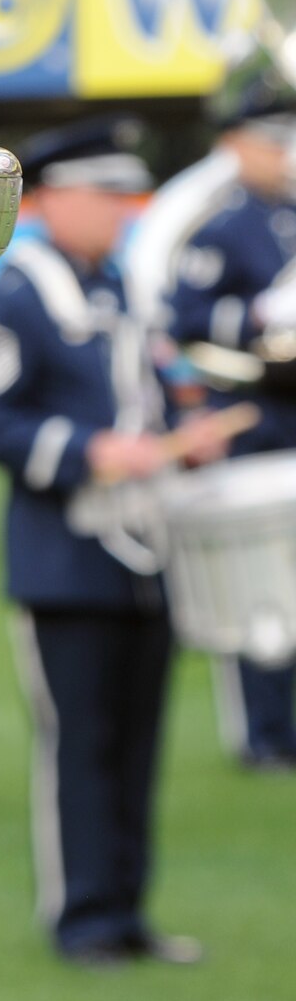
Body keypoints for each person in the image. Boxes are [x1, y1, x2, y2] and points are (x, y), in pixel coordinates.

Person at [0, 118, 222, 967]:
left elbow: (146, 389)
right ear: (53, 199)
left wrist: (188, 428)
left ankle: (128, 911)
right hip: (64, 561)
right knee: (82, 746)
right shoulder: (21, 294)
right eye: (103, 196)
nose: (119, 212)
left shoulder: (116, 289)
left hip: (142, 558)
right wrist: (86, 454)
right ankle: (84, 918)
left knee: (137, 745)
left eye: (123, 196)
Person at [162, 89, 296, 769]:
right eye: (271, 142)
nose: (283, 155)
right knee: (257, 579)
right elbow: (186, 322)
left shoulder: (290, 215)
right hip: (250, 412)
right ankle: (262, 731)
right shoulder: (217, 224)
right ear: (239, 144)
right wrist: (261, 317)